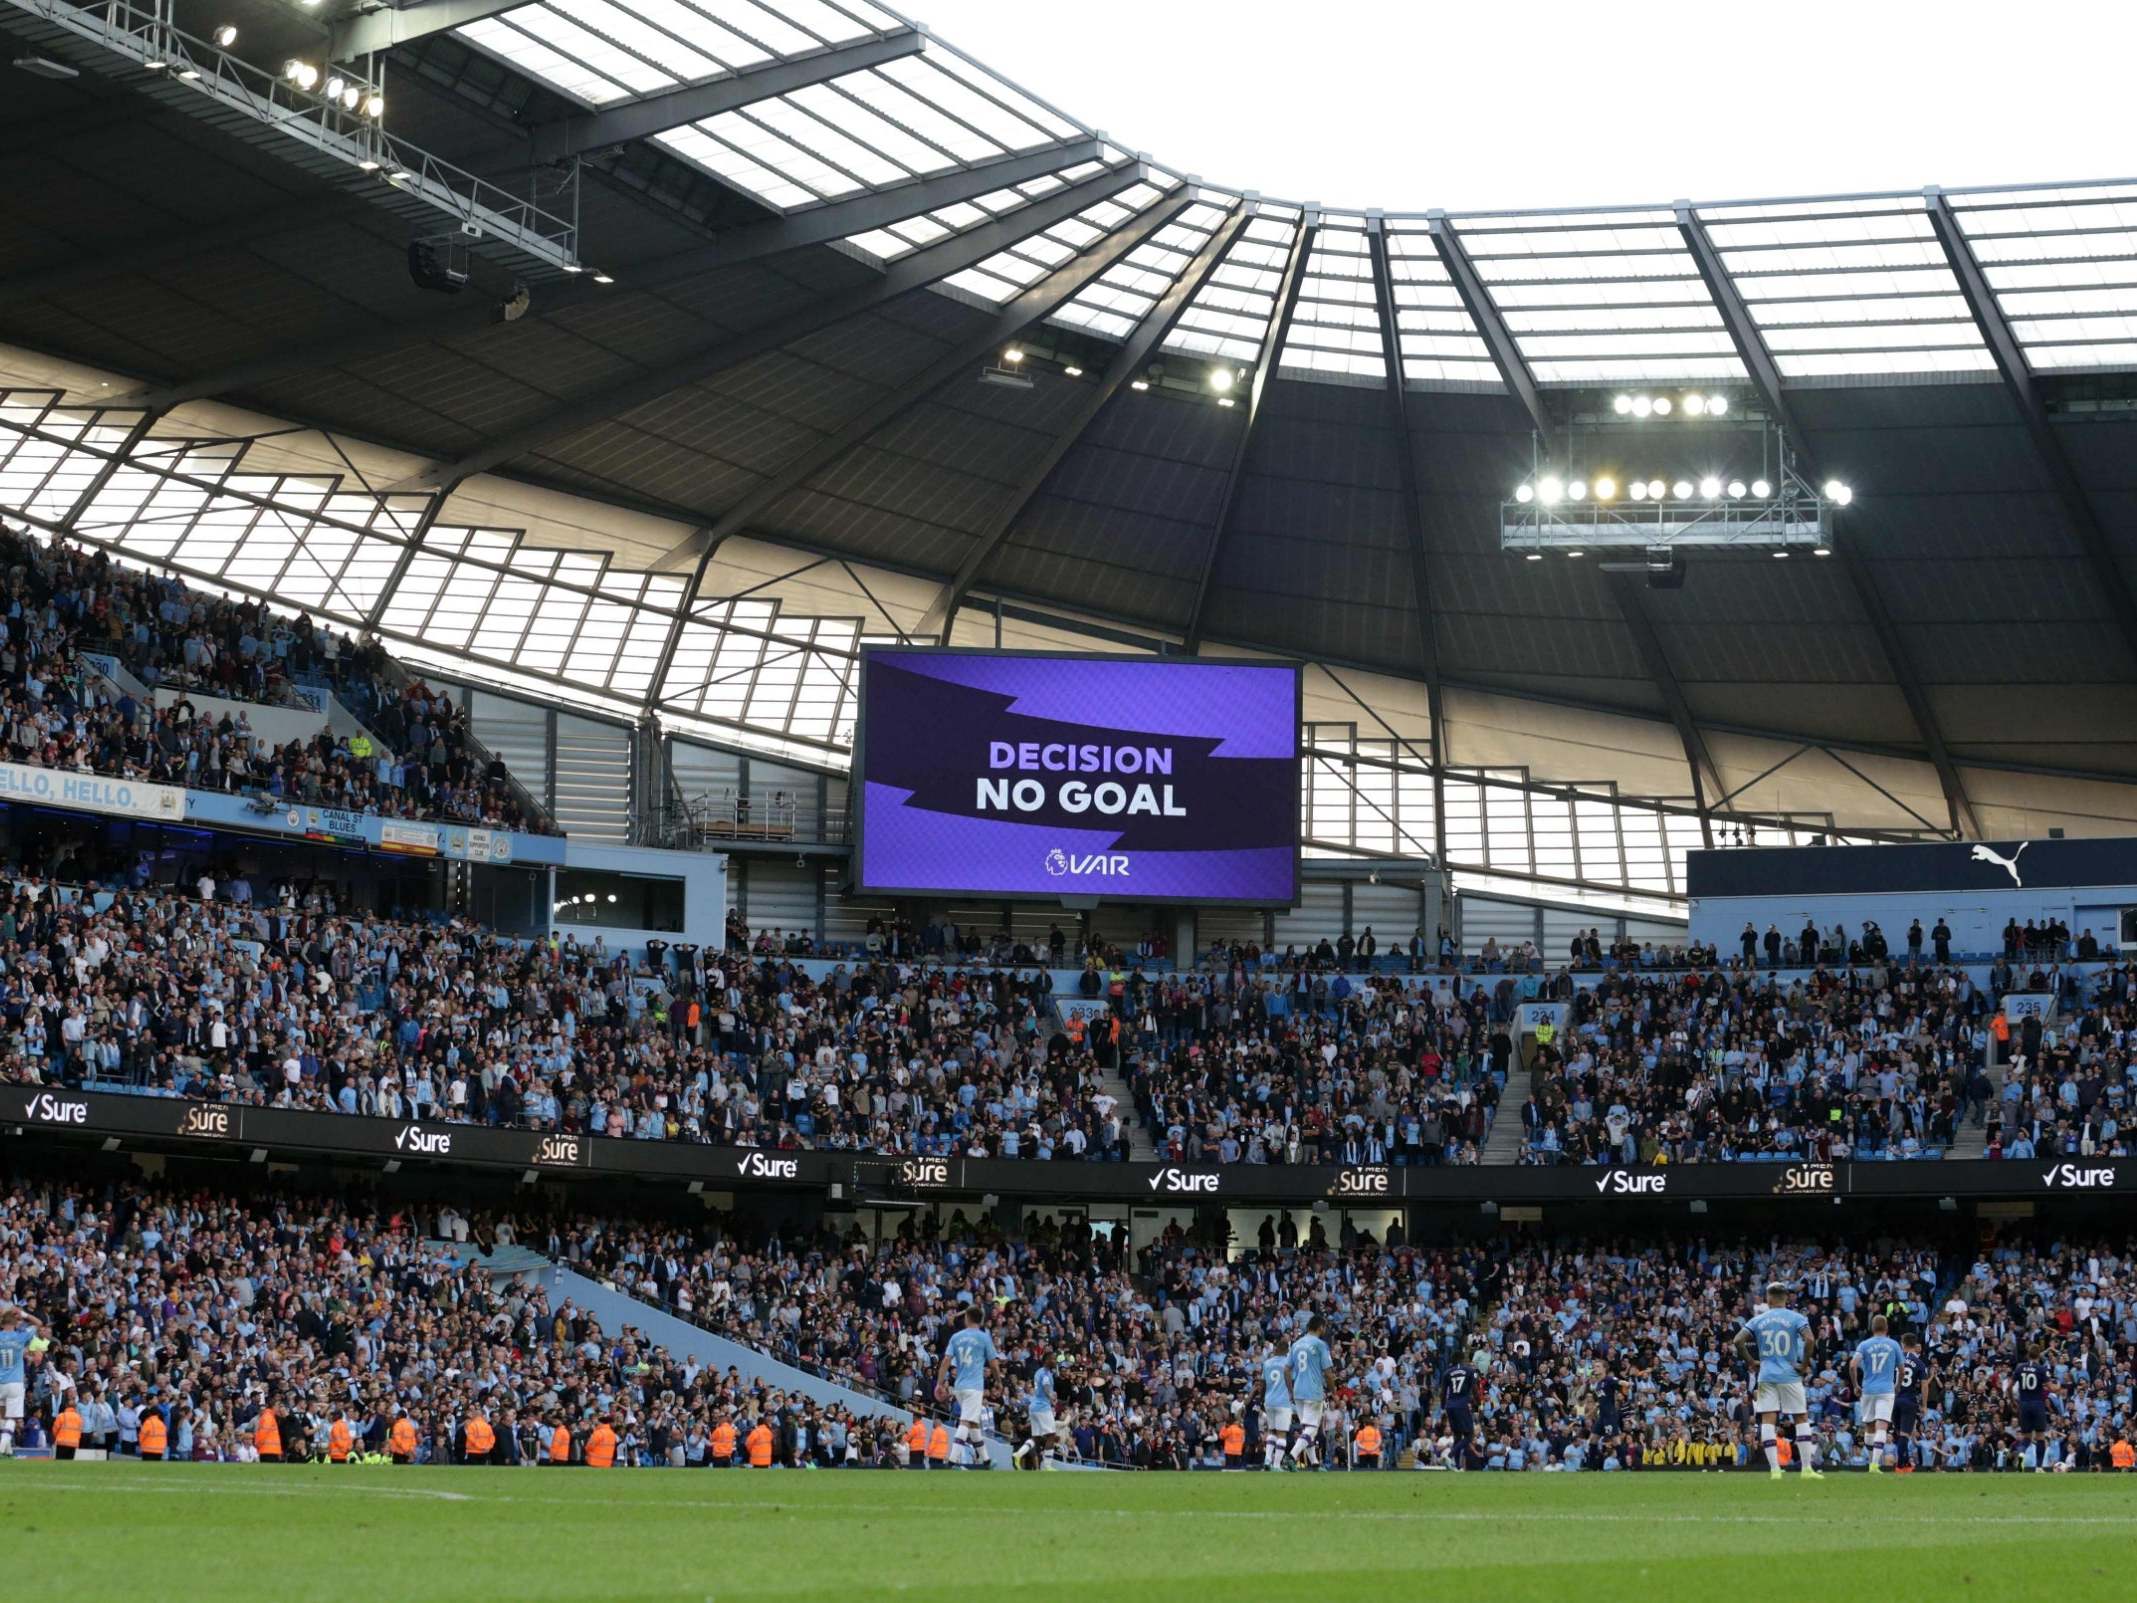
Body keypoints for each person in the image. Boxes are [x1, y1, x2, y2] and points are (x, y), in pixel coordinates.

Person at [1733, 1281, 1821, 1481]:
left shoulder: (1759, 1319)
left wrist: (1751, 1362)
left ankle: (1774, 1470)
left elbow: (1738, 1340)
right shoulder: (1796, 1317)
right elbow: (1809, 1339)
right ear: (1787, 1298)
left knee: (1768, 1420)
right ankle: (1806, 1469)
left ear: (1769, 1299)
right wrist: (1805, 1363)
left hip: (1766, 1375)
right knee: (1800, 1417)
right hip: (1789, 1374)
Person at [935, 1306, 998, 1470]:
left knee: (973, 1423)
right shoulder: (984, 1337)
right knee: (965, 1422)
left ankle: (986, 1461)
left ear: (967, 1318)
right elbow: (993, 1363)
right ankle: (953, 1461)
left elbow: (946, 1361)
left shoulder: (956, 1337)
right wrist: (998, 1380)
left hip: (959, 1386)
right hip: (974, 1386)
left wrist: (939, 1383)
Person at [1850, 1314, 1902, 1473]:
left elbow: (1852, 1366)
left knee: (1870, 1427)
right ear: (1886, 1328)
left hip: (1868, 1390)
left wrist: (1856, 1385)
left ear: (1872, 1328)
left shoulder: (1864, 1345)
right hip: (1886, 1390)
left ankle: (1872, 1461)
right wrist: (1897, 1385)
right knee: (1882, 1427)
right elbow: (1902, 1368)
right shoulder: (1893, 1345)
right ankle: (1874, 1465)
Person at [1285, 1313, 1335, 1469]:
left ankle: (1314, 1463)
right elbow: (1328, 1372)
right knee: (1313, 1428)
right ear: (1321, 1327)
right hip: (1313, 1390)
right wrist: (1332, 1390)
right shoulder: (1320, 1345)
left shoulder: (1296, 1344)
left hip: (1298, 1390)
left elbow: (1286, 1369)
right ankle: (1292, 1456)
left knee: (1307, 1429)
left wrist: (1290, 1391)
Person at [0, 1303, 42, 1458]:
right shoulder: (20, 1336)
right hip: (15, 1383)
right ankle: (2, 1447)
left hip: (0, 1382)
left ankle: (7, 1450)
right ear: (15, 1322)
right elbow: (39, 1323)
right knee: (12, 1417)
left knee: (2, 1416)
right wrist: (23, 1314)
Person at [2013, 1341, 2055, 1471]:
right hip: (2037, 1404)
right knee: (2040, 1436)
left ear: (2028, 1355)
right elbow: (2051, 1388)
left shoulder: (2019, 1368)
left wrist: (2012, 1401)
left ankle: (2021, 1453)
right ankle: (2039, 1467)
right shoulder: (2041, 1369)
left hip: (2024, 1404)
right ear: (2038, 1355)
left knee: (2026, 1437)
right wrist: (2059, 1387)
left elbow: (2009, 1386)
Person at [1892, 1333, 1929, 1475]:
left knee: (1899, 1434)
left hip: (1894, 1400)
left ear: (1903, 1344)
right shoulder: (1919, 1363)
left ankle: (1906, 1463)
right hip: (1909, 1401)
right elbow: (1924, 1385)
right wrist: (1924, 1405)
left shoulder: (1895, 1359)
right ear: (1915, 1346)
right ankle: (1900, 1466)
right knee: (1904, 1435)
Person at [1015, 1358, 1057, 1470]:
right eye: (1053, 1358)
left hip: (1033, 1407)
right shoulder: (1046, 1374)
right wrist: (1051, 1396)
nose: (1055, 1360)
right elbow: (1046, 1386)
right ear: (1047, 1361)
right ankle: (1047, 1465)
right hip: (1043, 1407)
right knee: (1051, 1435)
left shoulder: (1038, 1371)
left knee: (1036, 1438)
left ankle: (1018, 1454)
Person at [1259, 1341, 1294, 1471]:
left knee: (1271, 1432)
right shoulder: (1288, 1363)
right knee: (1281, 1434)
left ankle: (1267, 1460)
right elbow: (1291, 1379)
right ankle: (1276, 1465)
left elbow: (1262, 1383)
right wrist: (1291, 1393)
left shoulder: (1267, 1363)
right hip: (1283, 1402)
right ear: (1286, 1350)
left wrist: (1261, 1400)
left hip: (1269, 1401)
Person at [1442, 1355, 1477, 1463]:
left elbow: (1443, 1392)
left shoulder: (1447, 1372)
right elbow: (1474, 1389)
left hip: (1450, 1406)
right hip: (1461, 1405)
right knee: (1469, 1435)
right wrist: (1477, 1403)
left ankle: (1456, 1465)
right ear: (1463, 1360)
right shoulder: (1469, 1371)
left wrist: (1443, 1407)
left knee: (1457, 1435)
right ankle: (1450, 1455)